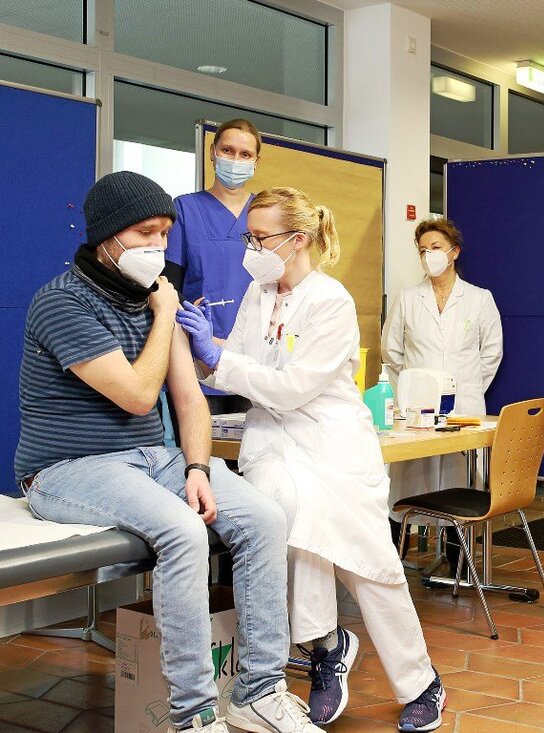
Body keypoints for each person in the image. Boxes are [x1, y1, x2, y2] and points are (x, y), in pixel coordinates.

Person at [15, 172, 316, 733]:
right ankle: (195, 716)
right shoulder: (60, 303)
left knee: (264, 519)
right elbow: (134, 395)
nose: (156, 247)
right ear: (106, 237)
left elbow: (189, 401)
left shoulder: (157, 297)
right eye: (144, 234)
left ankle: (258, 693)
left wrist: (198, 467)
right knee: (182, 532)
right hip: (67, 469)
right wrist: (162, 316)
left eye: (163, 234)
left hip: (156, 457)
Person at [176, 187, 447, 732]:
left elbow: (294, 386)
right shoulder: (258, 293)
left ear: (296, 240)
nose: (250, 248)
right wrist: (213, 346)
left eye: (259, 238)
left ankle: (422, 684)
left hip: (331, 446)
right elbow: (247, 360)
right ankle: (325, 646)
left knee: (371, 566)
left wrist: (219, 360)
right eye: (248, 237)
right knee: (289, 530)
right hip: (274, 445)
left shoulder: (332, 301)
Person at [381, 219, 503, 573]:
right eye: (423, 250)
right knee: (406, 481)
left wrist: (466, 388)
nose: (429, 256)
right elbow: (392, 353)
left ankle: (459, 562)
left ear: (454, 252)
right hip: (416, 410)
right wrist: (409, 389)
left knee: (457, 482)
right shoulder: (407, 298)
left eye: (436, 248)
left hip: (464, 407)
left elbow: (491, 353)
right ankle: (393, 562)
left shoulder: (480, 299)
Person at [164, 118, 262, 416]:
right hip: (197, 355)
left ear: (256, 160)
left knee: (253, 455)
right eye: (227, 150)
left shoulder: (265, 214)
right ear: (212, 152)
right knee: (202, 454)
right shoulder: (184, 209)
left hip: (254, 356)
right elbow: (169, 286)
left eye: (245, 155)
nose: (235, 160)